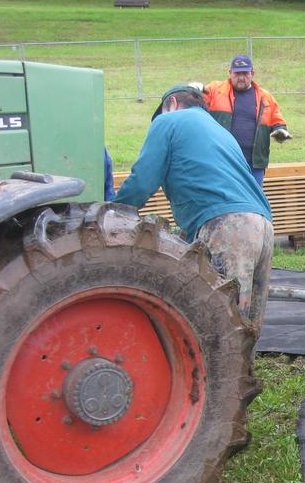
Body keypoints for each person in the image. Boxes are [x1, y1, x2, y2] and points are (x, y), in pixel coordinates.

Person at [113, 84, 275, 332]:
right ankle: (243, 370)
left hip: (228, 227)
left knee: (223, 321)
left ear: (173, 104)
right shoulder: (219, 130)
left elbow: (143, 180)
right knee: (247, 324)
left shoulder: (169, 122)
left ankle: (222, 372)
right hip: (262, 225)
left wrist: (114, 214)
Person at [204, 54, 291, 188]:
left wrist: (281, 131)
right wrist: (193, 89)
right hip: (223, 161)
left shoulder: (265, 97)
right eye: (237, 74)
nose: (241, 78)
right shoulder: (215, 91)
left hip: (254, 163)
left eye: (245, 73)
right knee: (225, 201)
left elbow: (277, 120)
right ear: (230, 73)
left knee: (255, 203)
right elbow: (195, 99)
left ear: (252, 73)